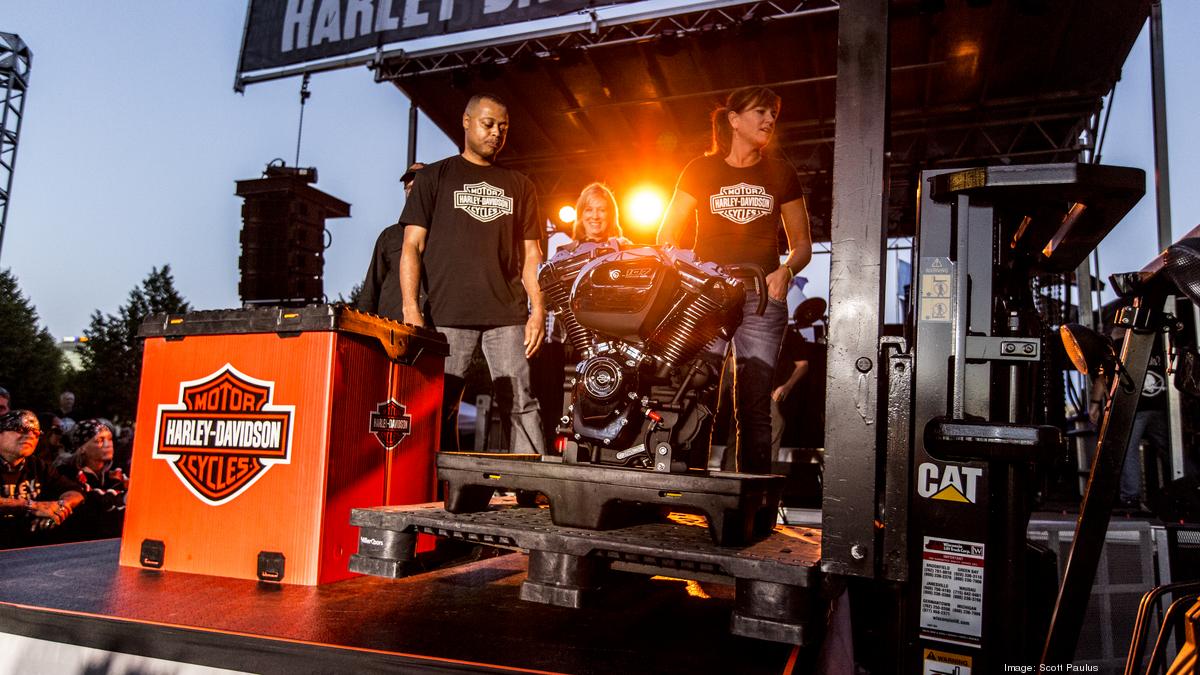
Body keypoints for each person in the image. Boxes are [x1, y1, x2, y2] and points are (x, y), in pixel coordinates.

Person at [657, 86, 813, 475]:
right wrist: (688, 276)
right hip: (709, 297)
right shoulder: (700, 169)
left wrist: (786, 272)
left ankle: (753, 500)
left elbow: (803, 244)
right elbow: (666, 236)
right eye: (761, 111)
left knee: (754, 403)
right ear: (733, 119)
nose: (769, 120)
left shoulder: (780, 172)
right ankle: (686, 488)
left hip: (762, 297)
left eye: (773, 113)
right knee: (696, 392)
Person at [399, 93, 547, 455]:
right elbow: (411, 247)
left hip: (506, 314)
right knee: (440, 404)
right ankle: (433, 482)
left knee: (521, 402)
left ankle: (531, 487)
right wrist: (411, 310)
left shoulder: (521, 185)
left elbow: (532, 255)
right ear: (466, 122)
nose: (496, 133)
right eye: (488, 124)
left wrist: (538, 310)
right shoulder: (434, 176)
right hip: (448, 312)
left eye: (503, 127)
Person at [0, 410, 85, 549]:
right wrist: (32, 506)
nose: (30, 436)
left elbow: (75, 491)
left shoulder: (37, 465)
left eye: (36, 433)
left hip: (28, 551)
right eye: (20, 429)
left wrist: (60, 508)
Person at [358, 162, 426, 321]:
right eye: (408, 188)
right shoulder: (389, 236)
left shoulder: (443, 233)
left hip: (435, 327)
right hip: (392, 326)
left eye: (417, 187)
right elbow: (371, 290)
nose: (411, 192)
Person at [54, 419, 128, 540]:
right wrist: (124, 496)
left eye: (110, 439)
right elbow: (92, 501)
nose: (108, 444)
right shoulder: (68, 473)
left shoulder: (114, 474)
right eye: (100, 440)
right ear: (82, 448)